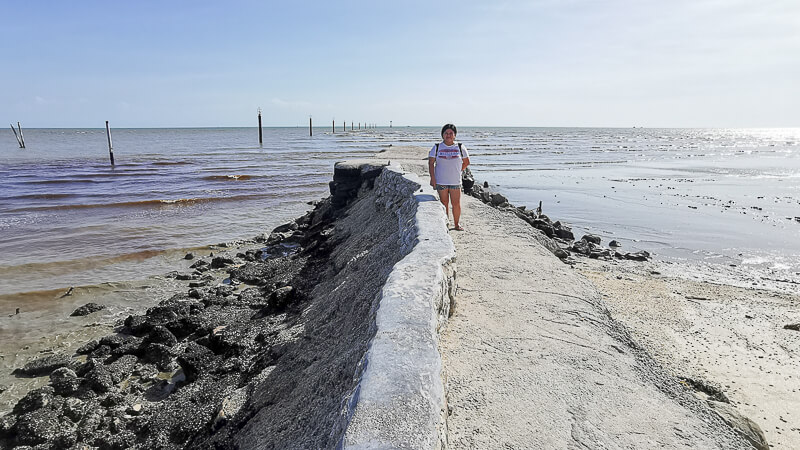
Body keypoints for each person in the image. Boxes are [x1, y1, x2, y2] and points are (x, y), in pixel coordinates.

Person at [428, 123, 470, 231]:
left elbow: (466, 162)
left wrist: (458, 170)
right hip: (441, 181)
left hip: (455, 181)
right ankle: (445, 224)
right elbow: (431, 163)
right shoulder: (437, 147)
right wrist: (432, 178)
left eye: (451, 133)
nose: (448, 135)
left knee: (456, 204)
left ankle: (456, 225)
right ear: (442, 135)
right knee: (444, 203)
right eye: (446, 133)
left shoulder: (460, 147)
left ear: (455, 135)